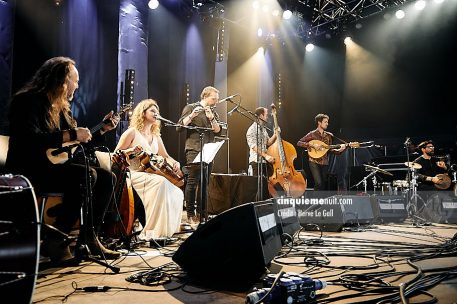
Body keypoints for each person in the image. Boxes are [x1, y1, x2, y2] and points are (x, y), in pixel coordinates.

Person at [5, 56, 121, 262]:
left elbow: (74, 145)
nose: (77, 86)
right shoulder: (27, 101)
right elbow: (29, 140)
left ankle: (90, 237)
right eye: (75, 80)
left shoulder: (61, 108)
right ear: (61, 80)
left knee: (106, 178)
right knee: (84, 175)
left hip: (51, 167)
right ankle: (56, 239)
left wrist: (101, 129)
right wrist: (72, 134)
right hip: (29, 169)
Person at [114, 99, 184, 240]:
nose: (156, 113)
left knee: (177, 191)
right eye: (152, 110)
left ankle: (166, 232)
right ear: (143, 113)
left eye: (157, 111)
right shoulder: (132, 132)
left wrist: (175, 162)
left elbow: (166, 156)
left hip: (150, 174)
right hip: (132, 174)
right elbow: (115, 155)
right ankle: (152, 230)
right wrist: (132, 150)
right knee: (160, 183)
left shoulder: (156, 136)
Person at [177, 86, 221, 224]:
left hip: (209, 150)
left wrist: (211, 118)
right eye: (214, 99)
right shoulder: (190, 107)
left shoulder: (212, 112)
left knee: (205, 183)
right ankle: (190, 214)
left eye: (217, 99)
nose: (216, 102)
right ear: (205, 96)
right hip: (194, 149)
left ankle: (203, 214)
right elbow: (179, 127)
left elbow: (217, 131)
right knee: (192, 182)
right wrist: (192, 116)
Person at [297, 113, 346, 191]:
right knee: (318, 183)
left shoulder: (328, 136)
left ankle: (320, 202)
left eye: (327, 122)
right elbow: (299, 142)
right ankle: (316, 202)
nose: (327, 124)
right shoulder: (312, 134)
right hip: (314, 161)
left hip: (324, 162)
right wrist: (312, 145)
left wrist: (340, 150)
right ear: (319, 123)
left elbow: (329, 149)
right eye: (325, 122)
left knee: (323, 184)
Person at [245, 107, 277, 198]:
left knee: (268, 184)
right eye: (266, 115)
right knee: (258, 187)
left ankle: (268, 203)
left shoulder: (263, 129)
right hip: (256, 162)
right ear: (261, 115)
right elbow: (253, 146)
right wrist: (266, 156)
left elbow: (268, 142)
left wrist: (275, 134)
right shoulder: (252, 129)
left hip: (264, 161)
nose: (267, 117)